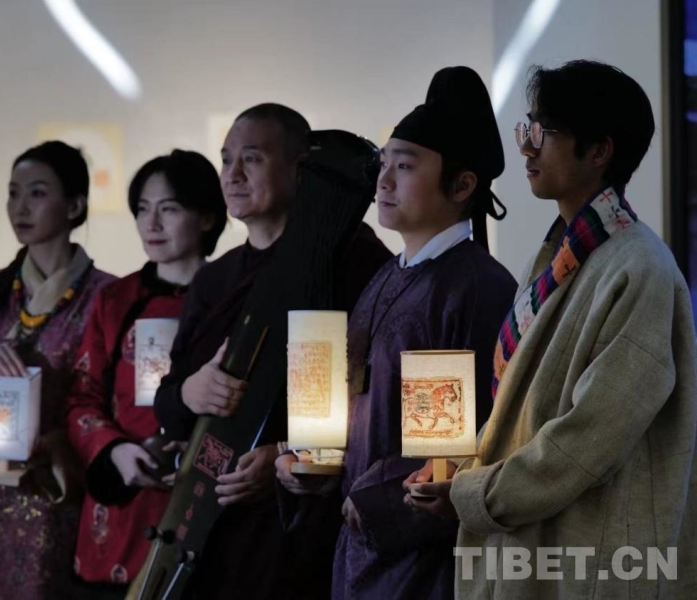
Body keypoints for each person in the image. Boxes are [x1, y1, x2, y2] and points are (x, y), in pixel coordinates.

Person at [406, 60, 697, 598]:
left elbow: (590, 435)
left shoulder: (640, 268)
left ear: (599, 150)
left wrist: (474, 493)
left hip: (590, 562)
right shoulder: (566, 254)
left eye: (544, 132)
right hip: (536, 546)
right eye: (528, 128)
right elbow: (523, 413)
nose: (526, 147)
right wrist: (461, 469)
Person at [275, 66, 517, 599]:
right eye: (382, 164)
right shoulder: (388, 276)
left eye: (404, 166)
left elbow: (455, 448)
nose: (382, 182)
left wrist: (375, 501)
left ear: (462, 185)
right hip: (358, 543)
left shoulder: (470, 287)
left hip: (420, 562)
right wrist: (311, 461)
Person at [152, 103, 393, 599]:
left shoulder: (352, 262)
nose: (232, 175)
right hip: (210, 528)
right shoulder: (214, 279)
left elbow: (374, 397)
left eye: (252, 159)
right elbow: (169, 408)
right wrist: (191, 392)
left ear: (300, 168)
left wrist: (286, 456)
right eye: (226, 160)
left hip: (301, 524)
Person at [0, 141, 116, 598]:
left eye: (37, 193)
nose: (20, 207)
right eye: (13, 193)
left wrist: (59, 441)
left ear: (75, 206)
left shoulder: (106, 298)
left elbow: (117, 402)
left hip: (58, 494)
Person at [65, 149, 227, 598]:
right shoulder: (115, 301)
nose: (151, 224)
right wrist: (115, 450)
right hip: (121, 505)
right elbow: (81, 397)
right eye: (142, 209)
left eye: (168, 209)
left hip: (202, 497)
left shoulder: (231, 299)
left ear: (207, 217)